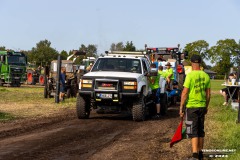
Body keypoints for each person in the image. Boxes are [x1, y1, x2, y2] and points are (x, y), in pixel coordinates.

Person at [179, 54, 211, 160]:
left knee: (192, 131)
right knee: (200, 130)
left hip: (191, 107)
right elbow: (208, 94)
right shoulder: (206, 76)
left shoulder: (190, 76)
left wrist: (181, 108)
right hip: (202, 106)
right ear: (200, 63)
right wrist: (206, 106)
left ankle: (194, 156)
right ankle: (201, 154)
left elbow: (184, 93)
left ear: (192, 64)